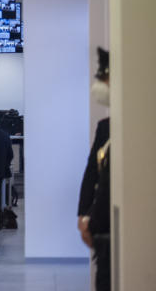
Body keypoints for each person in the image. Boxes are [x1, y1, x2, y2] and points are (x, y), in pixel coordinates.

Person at [79, 47, 111, 291]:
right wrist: (83, 214)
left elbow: (109, 183)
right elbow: (92, 173)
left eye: (104, 75)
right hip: (100, 223)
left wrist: (94, 220)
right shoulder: (105, 127)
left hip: (108, 224)